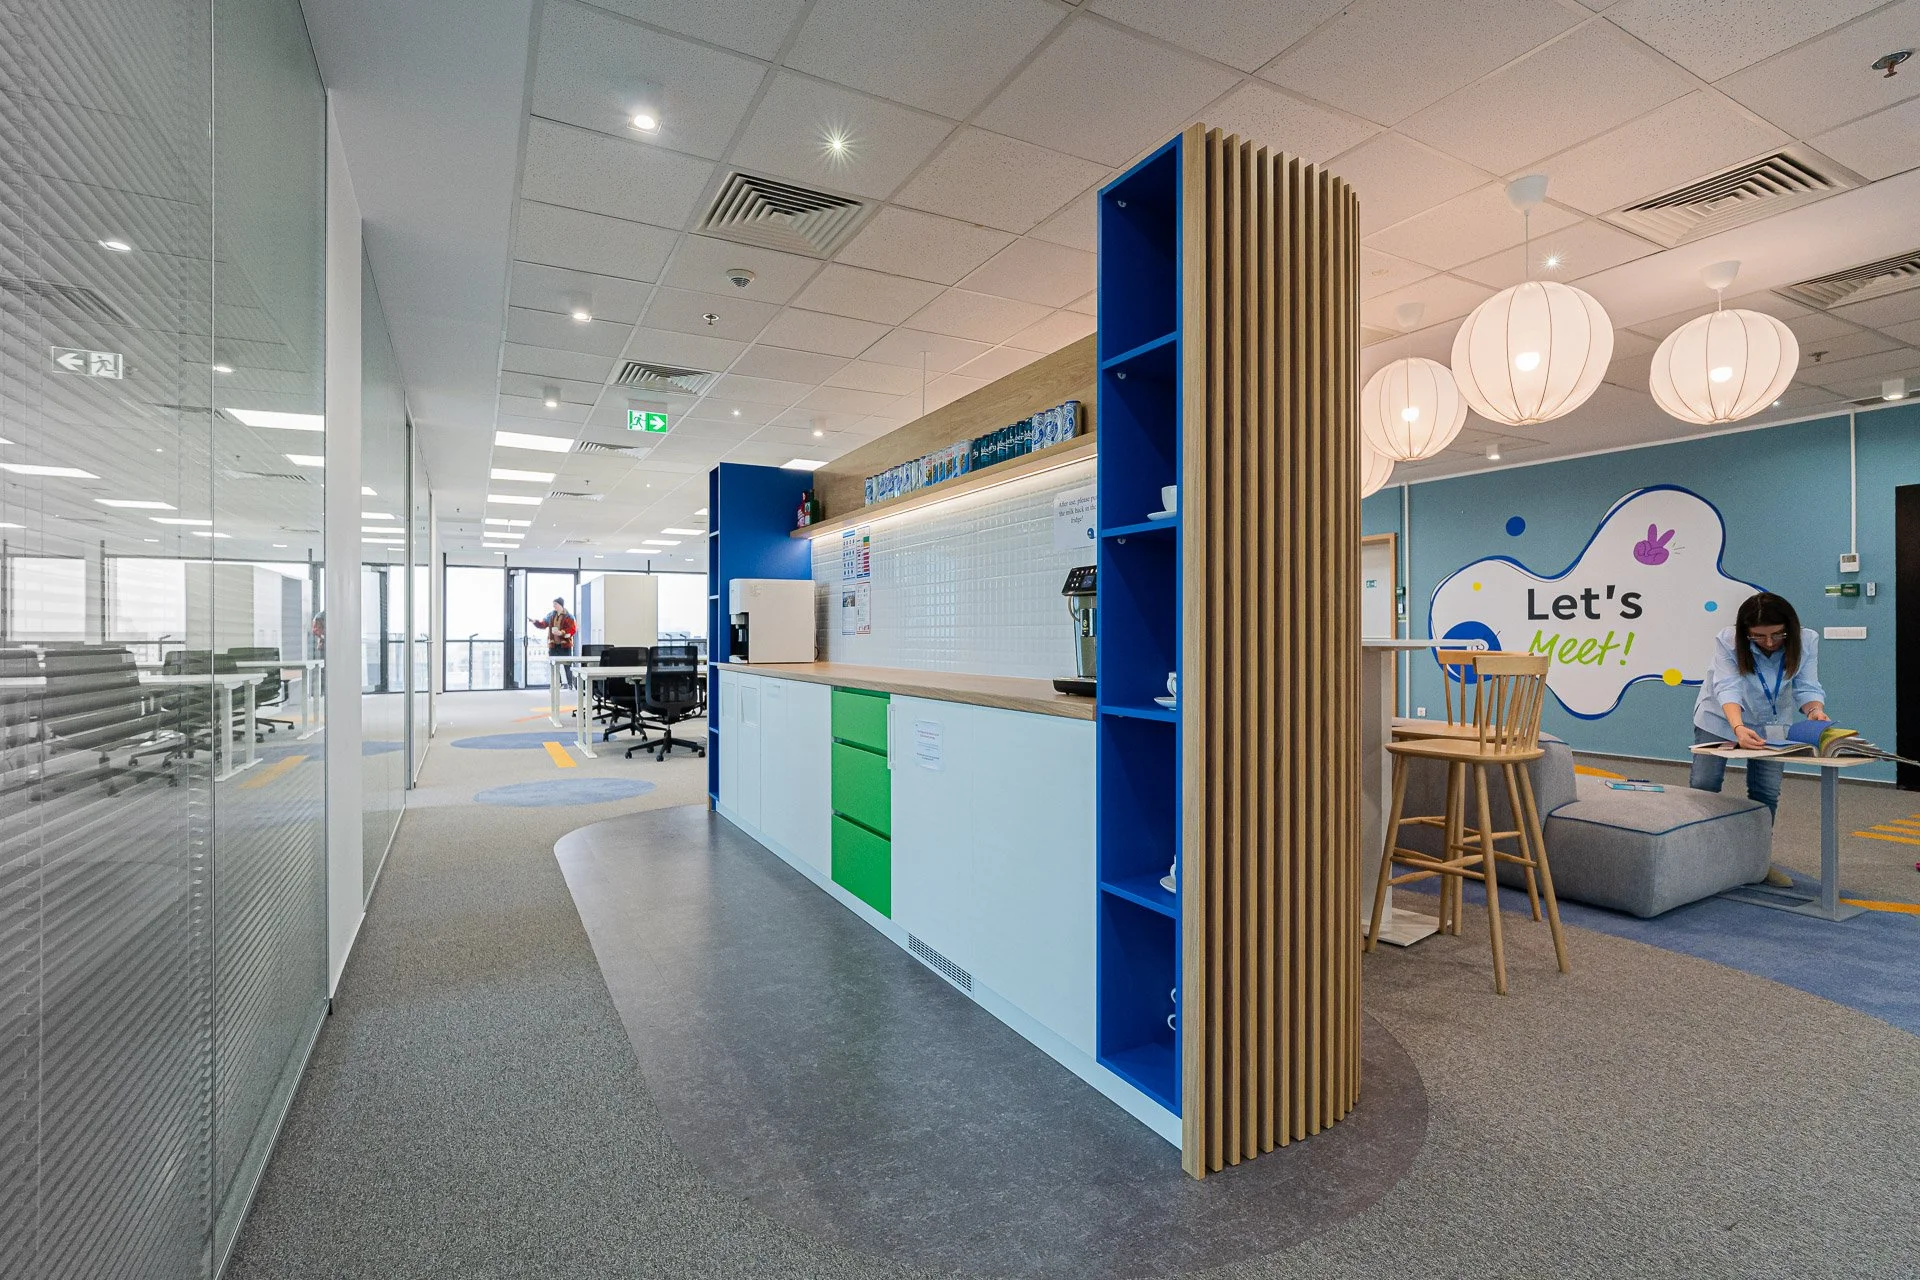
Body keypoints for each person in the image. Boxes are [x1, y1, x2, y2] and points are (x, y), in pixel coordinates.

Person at [1689, 591, 1827, 887]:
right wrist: (1737, 728)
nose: (1768, 643)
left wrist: (1815, 710)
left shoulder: (1807, 641)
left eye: (1777, 635)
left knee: (1765, 792)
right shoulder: (1727, 640)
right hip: (1720, 719)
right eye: (1758, 636)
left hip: (1772, 723)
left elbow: (1806, 686)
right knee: (1704, 786)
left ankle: (1758, 863)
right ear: (1745, 632)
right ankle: (1698, 859)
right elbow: (1728, 686)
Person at [530, 597, 578, 686]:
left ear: (560, 605)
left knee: (567, 666)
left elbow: (573, 629)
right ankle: (557, 684)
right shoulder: (551, 615)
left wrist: (562, 633)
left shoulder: (569, 616)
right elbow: (543, 624)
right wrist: (535, 622)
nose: (554, 606)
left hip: (565, 646)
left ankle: (571, 684)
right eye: (553, 604)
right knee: (554, 666)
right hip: (553, 645)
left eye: (555, 604)